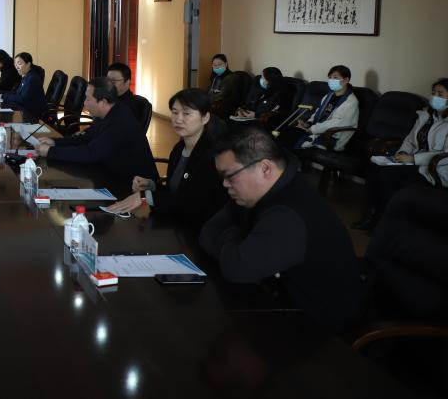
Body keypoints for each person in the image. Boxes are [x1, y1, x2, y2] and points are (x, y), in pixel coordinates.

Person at [199, 126, 363, 331]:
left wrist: (234, 239)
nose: (225, 184)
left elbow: (236, 268)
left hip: (320, 331)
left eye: (229, 176)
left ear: (265, 168)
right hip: (277, 304)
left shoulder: (289, 213)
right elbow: (208, 232)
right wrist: (238, 242)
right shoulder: (255, 193)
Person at [106, 89, 227, 228]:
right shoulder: (178, 149)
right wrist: (152, 186)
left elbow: (191, 203)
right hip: (174, 224)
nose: (178, 119)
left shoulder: (212, 155)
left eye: (186, 113)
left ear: (205, 118)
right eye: (175, 112)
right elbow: (173, 193)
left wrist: (145, 196)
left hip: (198, 229)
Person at [354, 78, 448, 230]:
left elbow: (444, 155)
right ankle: (370, 215)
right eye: (433, 93)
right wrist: (402, 152)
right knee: (374, 168)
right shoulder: (425, 115)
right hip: (411, 160)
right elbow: (410, 139)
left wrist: (413, 158)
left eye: (440, 94)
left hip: (433, 168)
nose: (435, 97)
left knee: (389, 175)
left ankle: (384, 221)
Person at [35, 77, 156, 185]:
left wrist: (50, 152)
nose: (84, 103)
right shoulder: (106, 114)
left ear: (102, 102)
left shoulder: (119, 121)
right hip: (110, 173)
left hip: (134, 186)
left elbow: (92, 153)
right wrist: (55, 142)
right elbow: (86, 137)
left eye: (88, 99)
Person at [279, 65, 358, 151]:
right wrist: (308, 123)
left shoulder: (350, 102)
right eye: (330, 78)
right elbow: (318, 113)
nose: (331, 81)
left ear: (346, 80)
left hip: (331, 137)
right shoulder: (328, 96)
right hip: (317, 129)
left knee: (290, 137)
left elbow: (336, 123)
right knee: (286, 130)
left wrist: (312, 129)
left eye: (335, 77)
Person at [106, 62, 152, 129]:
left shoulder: (132, 106)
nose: (109, 83)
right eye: (108, 80)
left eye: (114, 80)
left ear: (127, 82)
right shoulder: (108, 99)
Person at [208, 53, 240, 119]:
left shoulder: (231, 77)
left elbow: (221, 96)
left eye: (219, 64)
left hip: (225, 107)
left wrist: (210, 95)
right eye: (214, 65)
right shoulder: (215, 77)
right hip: (215, 104)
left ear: (226, 64)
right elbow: (209, 91)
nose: (217, 67)